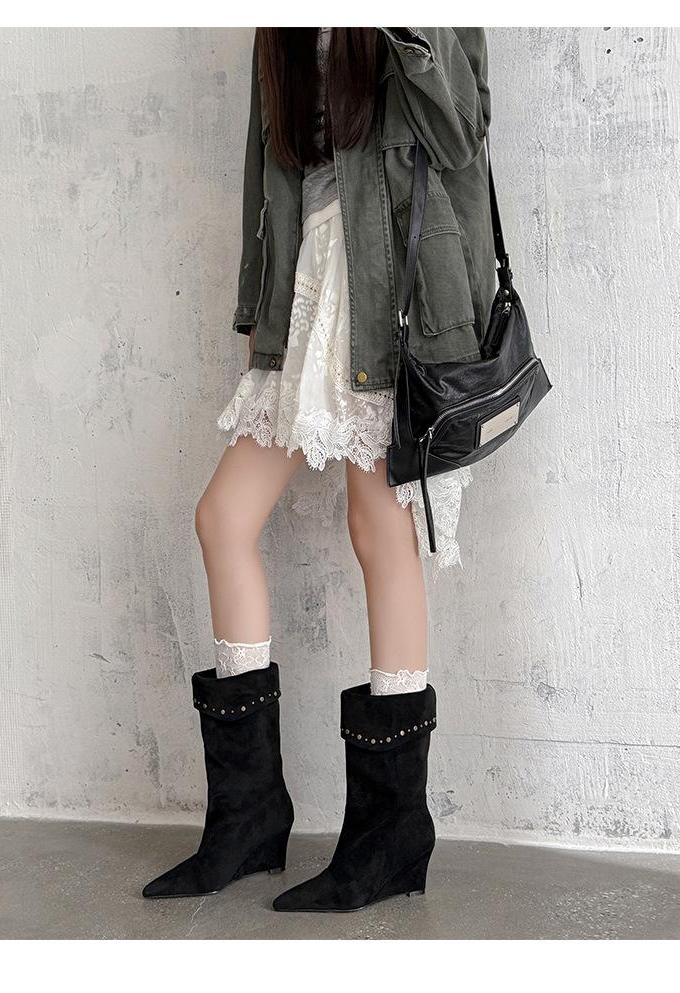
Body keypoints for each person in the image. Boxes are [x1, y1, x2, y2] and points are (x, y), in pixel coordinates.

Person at [143, 27, 494, 912]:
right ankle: (249, 819)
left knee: (378, 528)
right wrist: (260, 318)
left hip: (390, 296)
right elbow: (265, 179)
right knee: (224, 518)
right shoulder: (280, 32)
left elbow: (461, 133)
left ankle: (390, 833)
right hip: (308, 290)